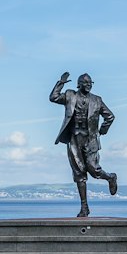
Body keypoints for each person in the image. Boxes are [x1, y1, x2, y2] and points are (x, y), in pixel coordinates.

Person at [49, 70, 118, 218]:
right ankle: (84, 208)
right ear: (79, 84)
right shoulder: (70, 95)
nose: (88, 85)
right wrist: (60, 83)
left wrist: (102, 130)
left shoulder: (97, 100)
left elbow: (110, 116)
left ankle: (110, 177)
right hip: (74, 139)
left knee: (94, 169)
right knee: (79, 174)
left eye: (90, 83)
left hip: (90, 140)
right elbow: (53, 98)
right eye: (85, 83)